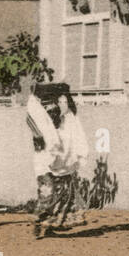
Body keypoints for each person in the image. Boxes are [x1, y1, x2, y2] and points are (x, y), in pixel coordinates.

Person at [28, 84, 75, 238]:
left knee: (59, 191)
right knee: (47, 190)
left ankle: (47, 224)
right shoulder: (35, 107)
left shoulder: (47, 109)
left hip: (55, 158)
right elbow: (29, 119)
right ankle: (38, 220)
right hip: (43, 159)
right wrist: (37, 135)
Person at [57, 93, 91, 229]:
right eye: (59, 102)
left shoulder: (73, 119)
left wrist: (81, 155)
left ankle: (74, 214)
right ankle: (76, 213)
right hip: (60, 158)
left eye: (64, 102)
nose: (61, 105)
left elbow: (79, 137)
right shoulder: (58, 119)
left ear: (69, 103)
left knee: (66, 186)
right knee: (66, 186)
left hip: (69, 158)